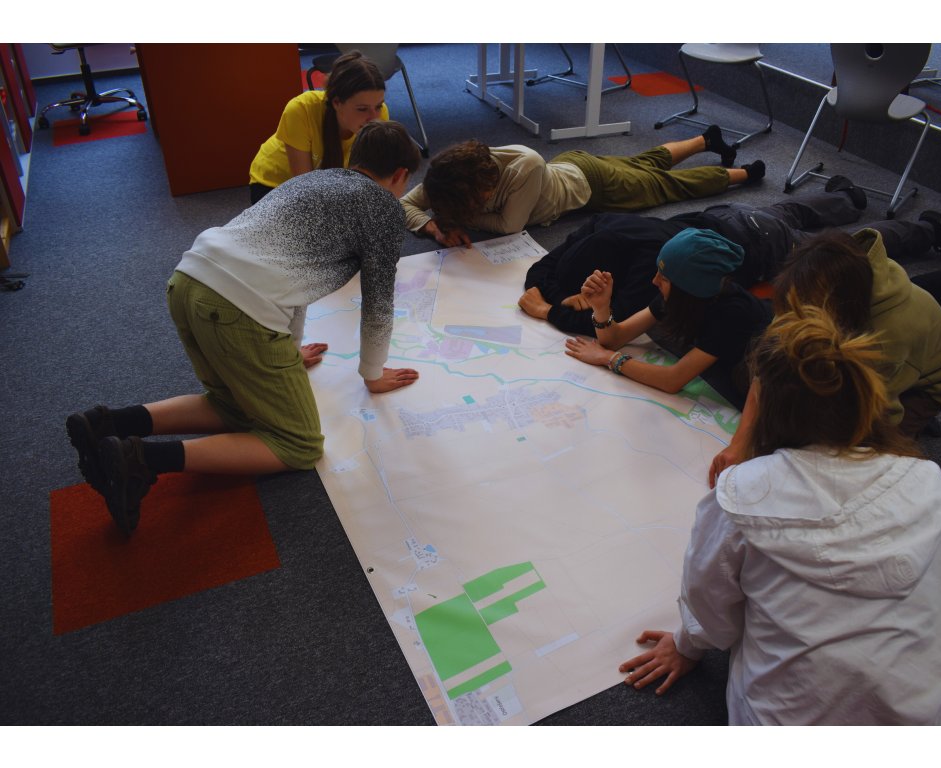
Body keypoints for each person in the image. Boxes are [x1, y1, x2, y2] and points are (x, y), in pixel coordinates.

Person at [618, 307, 941, 724]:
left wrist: (685, 646)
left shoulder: (742, 495)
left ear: (767, 410)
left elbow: (710, 606)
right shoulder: (928, 479)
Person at [66, 121, 422, 536]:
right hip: (236, 308)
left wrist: (289, 349)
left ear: (354, 158)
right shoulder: (383, 208)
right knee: (300, 446)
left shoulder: (314, 180)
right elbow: (378, 302)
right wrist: (373, 374)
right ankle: (142, 460)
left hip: (187, 281)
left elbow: (294, 276)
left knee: (236, 404)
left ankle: (107, 423)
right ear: (400, 175)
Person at [709, 225, 941, 486]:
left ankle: (921, 417)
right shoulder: (812, 287)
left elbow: (874, 415)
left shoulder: (891, 335)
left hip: (926, 383)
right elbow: (767, 367)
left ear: (836, 311)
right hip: (882, 340)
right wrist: (740, 442)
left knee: (859, 462)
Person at [518, 176, 941, 338]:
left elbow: (613, 323)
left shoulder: (651, 268)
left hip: (754, 246)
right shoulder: (601, 229)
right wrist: (558, 293)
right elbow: (543, 269)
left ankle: (929, 230)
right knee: (785, 213)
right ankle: (846, 196)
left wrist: (551, 309)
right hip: (726, 217)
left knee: (835, 248)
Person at [400, 126, 767, 248]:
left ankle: (744, 175)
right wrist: (433, 226)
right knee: (644, 163)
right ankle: (706, 140)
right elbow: (405, 203)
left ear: (481, 187)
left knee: (664, 186)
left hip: (594, 187)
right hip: (572, 166)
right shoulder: (451, 176)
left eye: (472, 202)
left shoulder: (525, 165)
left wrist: (458, 221)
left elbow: (510, 226)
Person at [561, 228, 771, 409]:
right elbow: (615, 339)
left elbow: (672, 380)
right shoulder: (680, 296)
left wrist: (609, 358)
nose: (654, 281)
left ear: (690, 288)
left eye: (664, 278)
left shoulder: (733, 314)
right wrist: (601, 308)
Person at [248, 51, 389, 205]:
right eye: (362, 109)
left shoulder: (381, 115)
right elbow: (305, 191)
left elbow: (371, 179)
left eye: (378, 106)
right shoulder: (301, 109)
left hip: (330, 186)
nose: (373, 117)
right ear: (337, 103)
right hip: (275, 185)